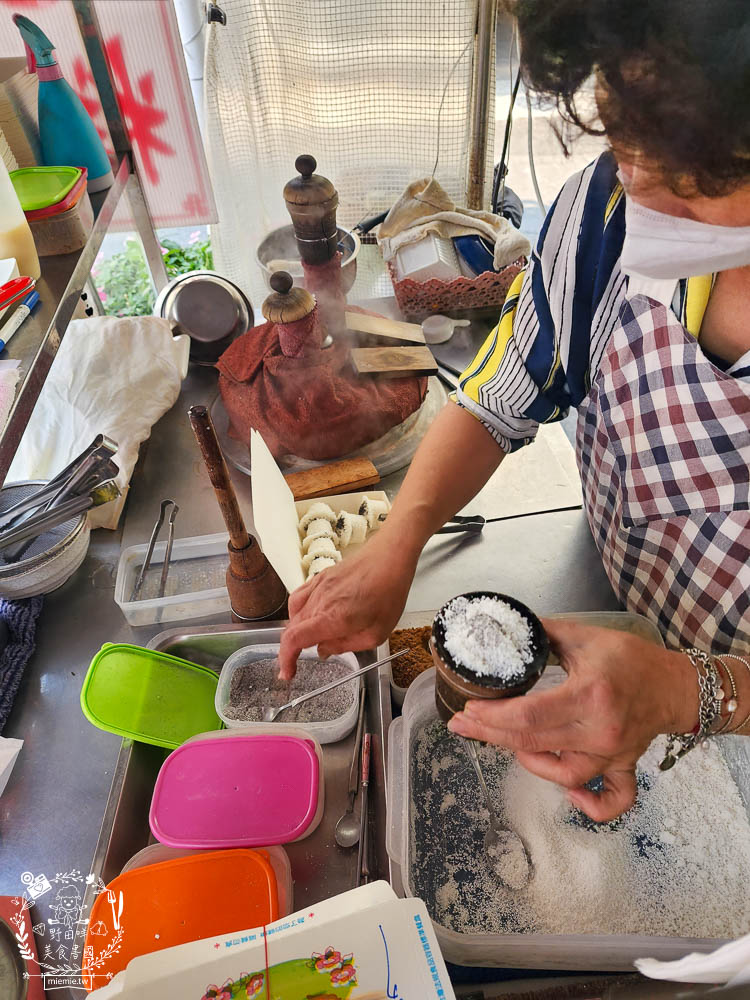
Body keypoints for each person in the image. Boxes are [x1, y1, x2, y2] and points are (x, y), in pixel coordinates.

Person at [279, 0, 750, 821]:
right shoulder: (606, 211)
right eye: (623, 131)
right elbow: (503, 392)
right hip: (621, 605)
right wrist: (400, 541)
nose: (634, 181)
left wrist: (695, 690)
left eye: (696, 174)